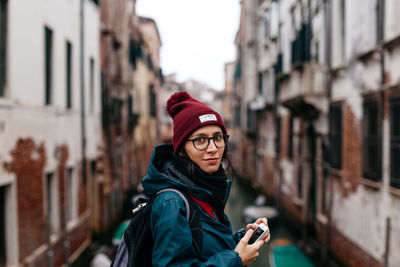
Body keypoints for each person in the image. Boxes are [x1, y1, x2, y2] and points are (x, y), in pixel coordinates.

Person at [141, 91, 270, 266]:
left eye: (217, 137)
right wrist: (236, 260)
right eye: (200, 140)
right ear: (181, 150)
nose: (213, 148)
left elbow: (207, 251)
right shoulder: (171, 203)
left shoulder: (203, 190)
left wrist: (243, 238)